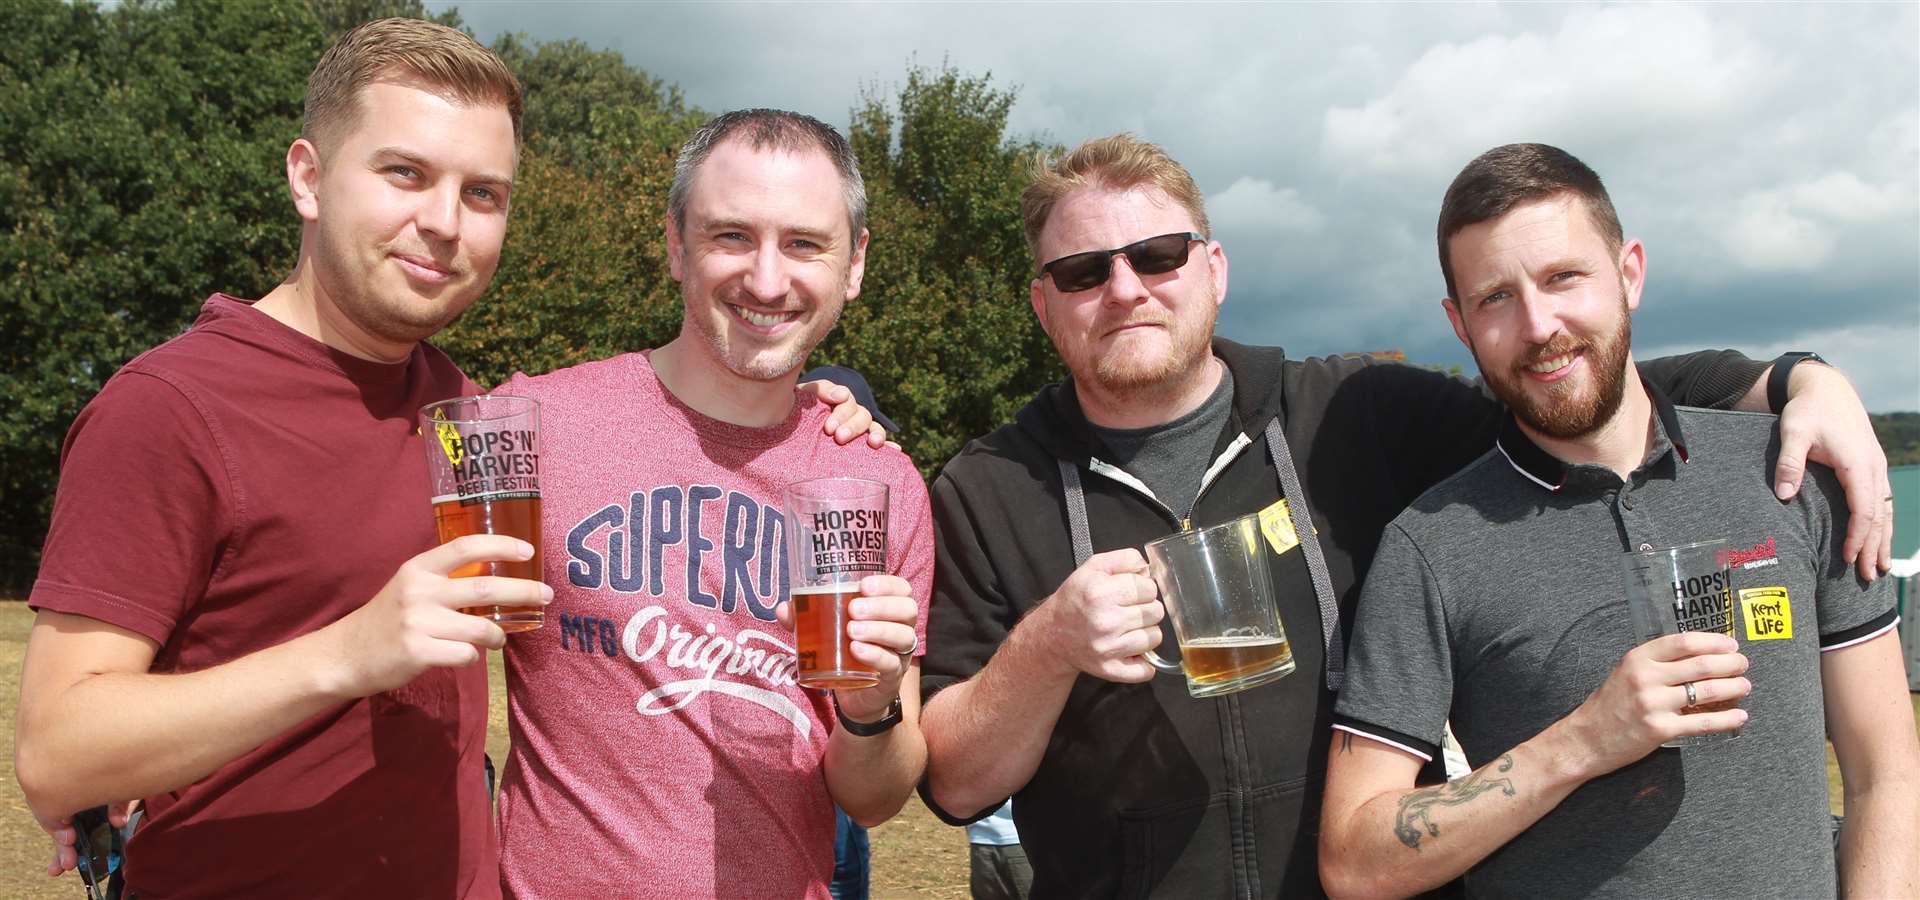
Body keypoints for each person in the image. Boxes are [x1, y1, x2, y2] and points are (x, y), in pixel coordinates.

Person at [15, 23, 882, 895]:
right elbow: (56, 757)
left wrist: (810, 412)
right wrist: (348, 653)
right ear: (308, 178)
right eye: (405, 174)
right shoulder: (170, 408)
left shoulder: (464, 409)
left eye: (482, 194)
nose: (441, 222)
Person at [914, 133, 1895, 897]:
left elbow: (1560, 382)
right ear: (1044, 304)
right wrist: (1047, 644)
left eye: (1158, 255)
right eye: (1084, 271)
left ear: (1212, 268)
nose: (1125, 288)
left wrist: (1796, 376)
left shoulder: (1350, 415)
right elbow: (954, 785)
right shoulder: (989, 488)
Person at [1318, 143, 1918, 898]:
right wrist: (1585, 741)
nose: (1539, 326)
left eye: (1564, 277)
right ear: (1459, 324)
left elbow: (1884, 775)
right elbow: (1354, 861)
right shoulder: (1430, 547)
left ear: (1629, 272)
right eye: (1495, 297)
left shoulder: (1793, 471)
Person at [490, 109, 933, 899]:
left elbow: (876, 797)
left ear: (854, 264)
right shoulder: (535, 426)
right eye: (732, 236)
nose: (767, 280)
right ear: (675, 243)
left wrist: (869, 711)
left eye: (804, 243)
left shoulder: (881, 485)